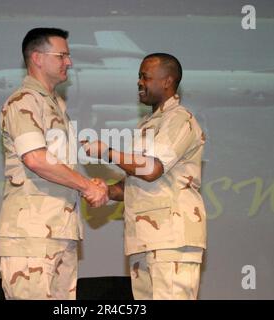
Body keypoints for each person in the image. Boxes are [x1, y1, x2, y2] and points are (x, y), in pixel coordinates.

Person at [0, 27, 108, 300]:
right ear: (37, 58)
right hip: (31, 234)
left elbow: (57, 164)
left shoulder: (54, 104)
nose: (69, 62)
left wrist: (91, 183)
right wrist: (86, 186)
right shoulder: (24, 101)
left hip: (60, 230)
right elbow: (36, 159)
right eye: (62, 56)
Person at [84, 53, 207, 300]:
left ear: (167, 81)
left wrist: (107, 152)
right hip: (144, 241)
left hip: (171, 240)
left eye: (145, 77)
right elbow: (135, 181)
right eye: (139, 77)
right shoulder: (147, 125)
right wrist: (105, 191)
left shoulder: (180, 119)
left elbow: (152, 169)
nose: (139, 82)